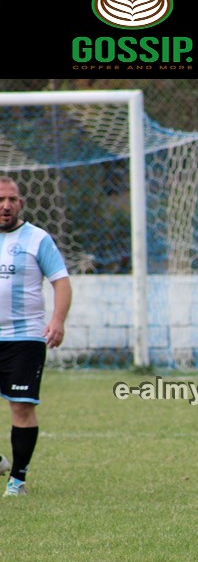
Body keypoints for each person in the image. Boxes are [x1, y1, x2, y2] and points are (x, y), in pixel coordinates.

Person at [0, 176, 72, 497]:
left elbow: (61, 281)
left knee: (22, 408)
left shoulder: (37, 239)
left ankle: (17, 481)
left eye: (12, 199)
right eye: (0, 199)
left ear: (20, 203)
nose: (6, 205)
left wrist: (57, 320)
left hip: (24, 338)